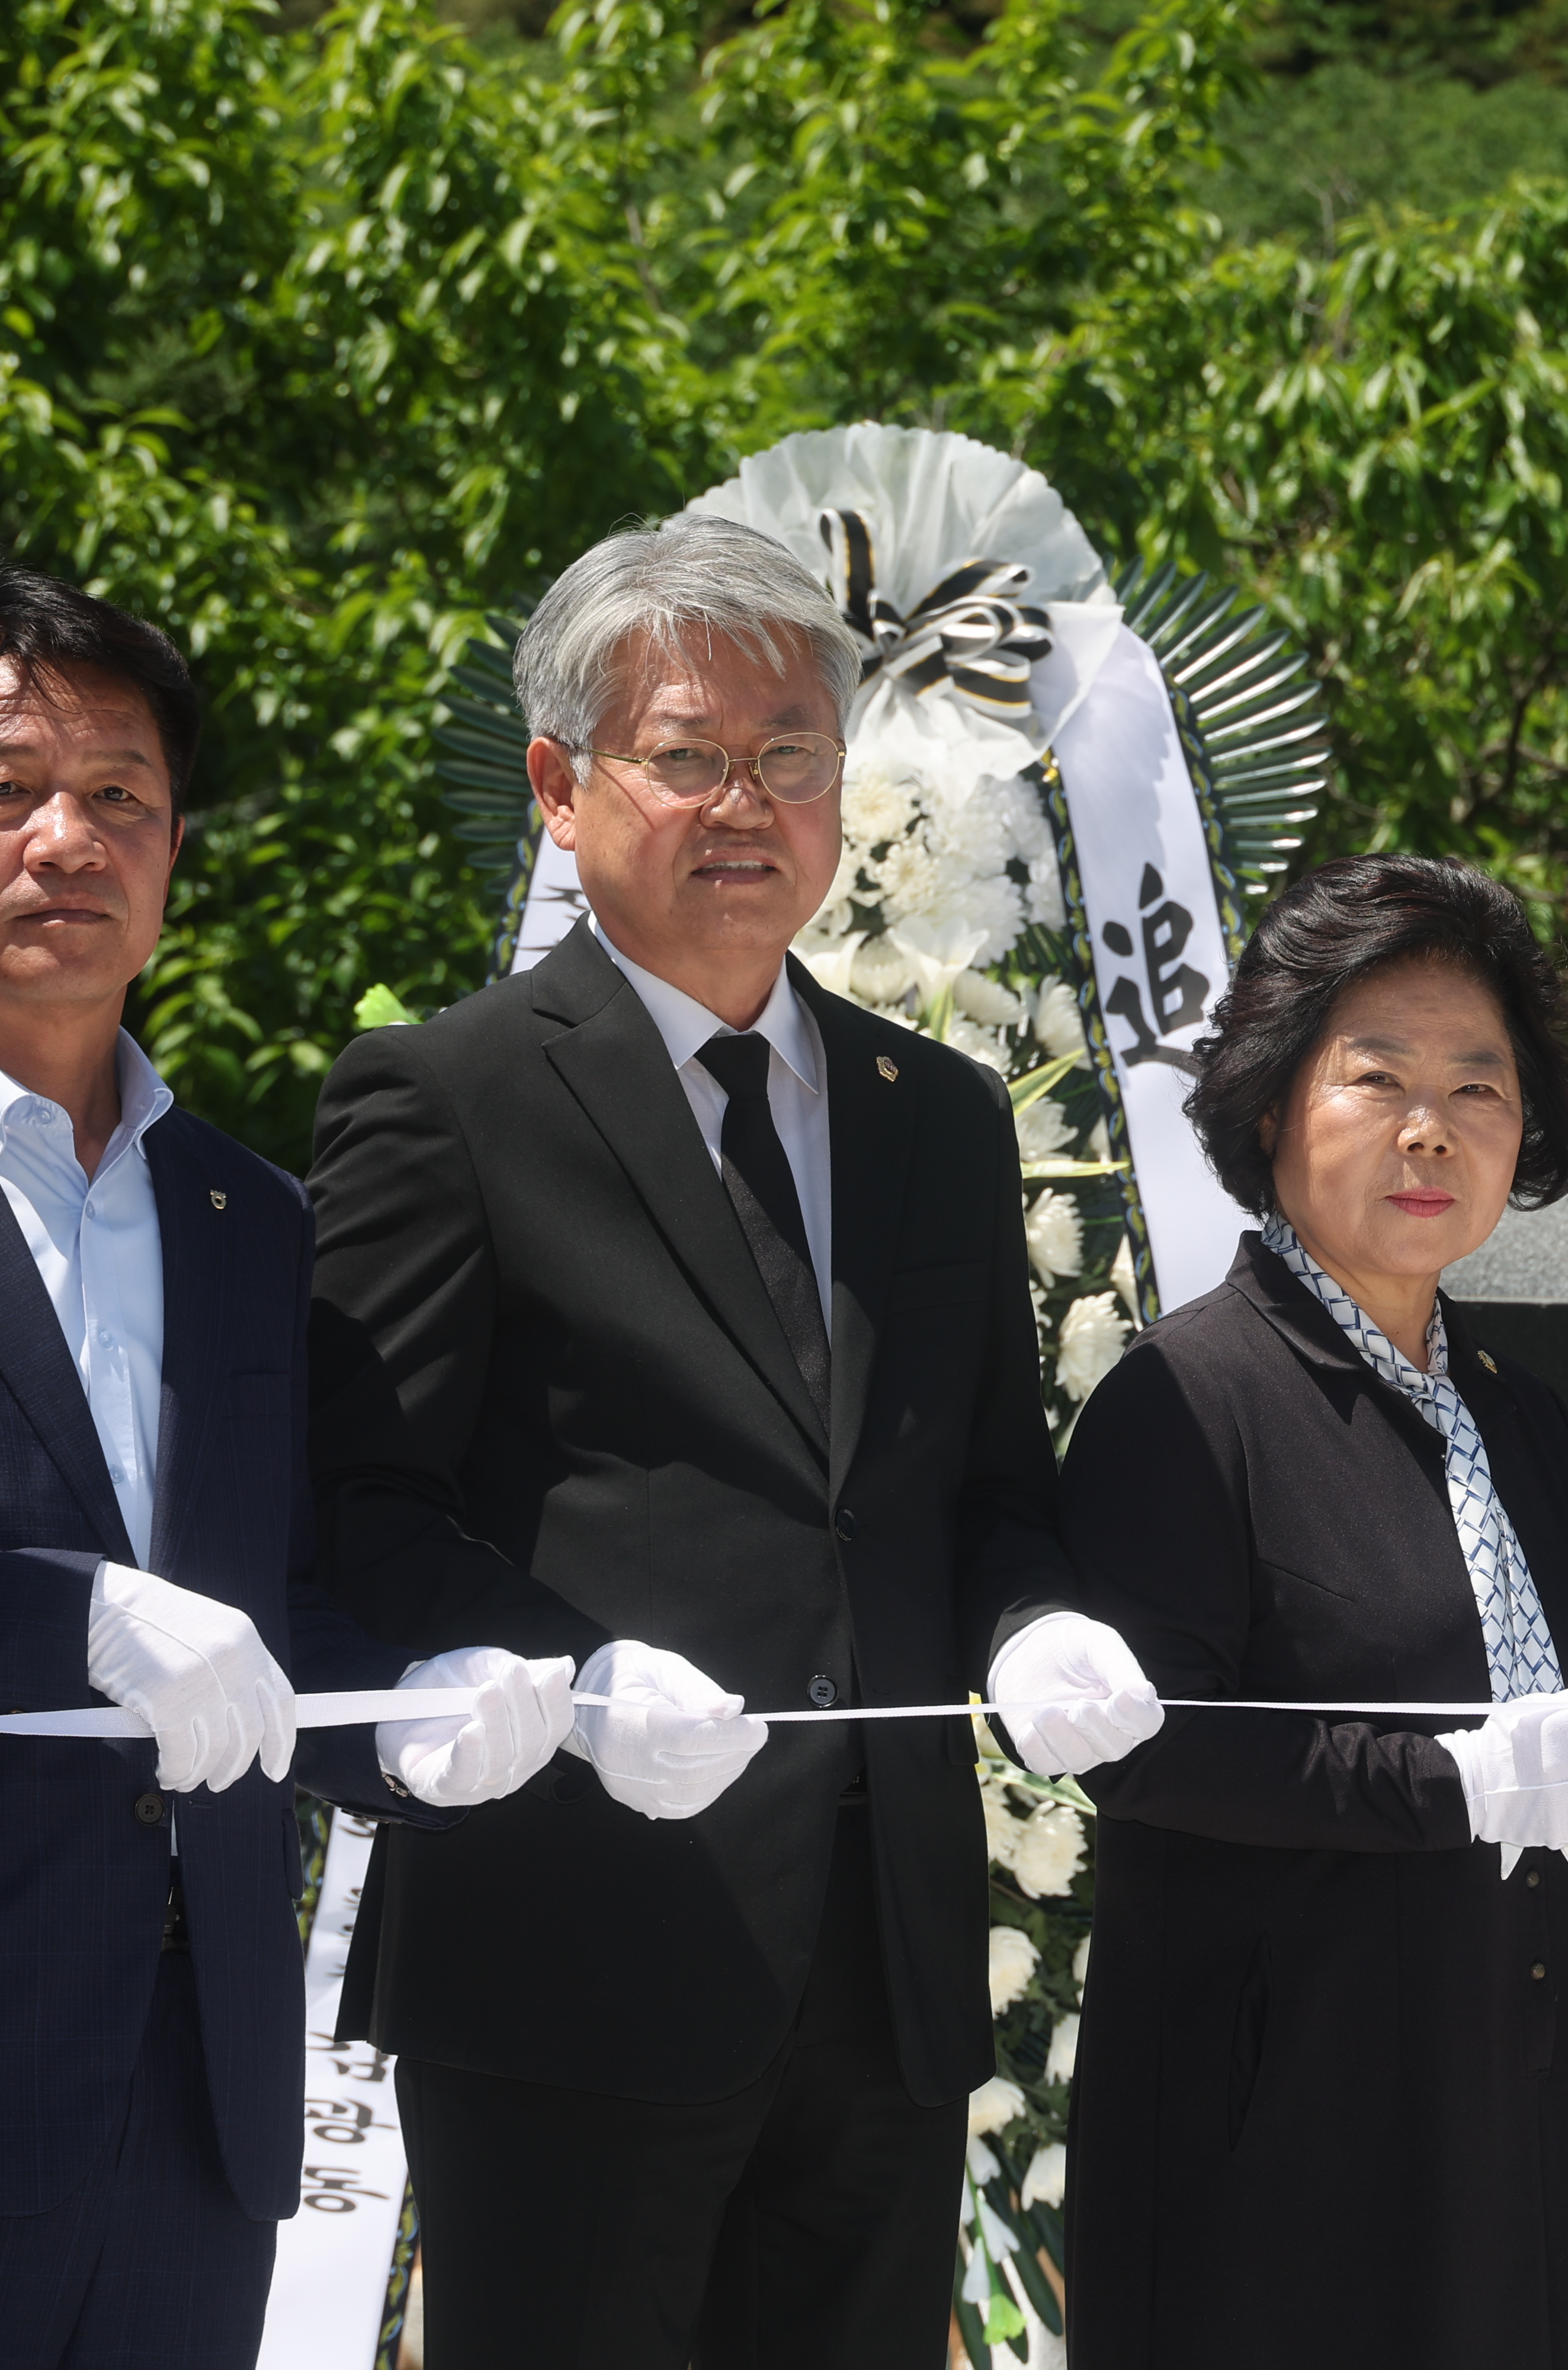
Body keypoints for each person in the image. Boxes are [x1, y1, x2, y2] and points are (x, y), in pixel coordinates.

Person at [303, 514, 1166, 2370]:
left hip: (886, 1958)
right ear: (560, 784)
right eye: (688, 756)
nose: (747, 802)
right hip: (576, 1939)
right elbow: (359, 1513)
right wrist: (567, 1671)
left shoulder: (929, 1110)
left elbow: (982, 1493)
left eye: (791, 756)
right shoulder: (444, 1098)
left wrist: (1036, 1625)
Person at [1054, 853, 1568, 2369]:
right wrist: (1449, 1785)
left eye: (1479, 1086)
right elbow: (1149, 1750)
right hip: (1279, 2143)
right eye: (1376, 1078)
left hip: (1516, 2106)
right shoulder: (1187, 1398)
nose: (1431, 1126)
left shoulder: (1512, 1415)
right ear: (1271, 1108)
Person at [0, 568, 570, 2369]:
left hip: (197, 2089)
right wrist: (70, 1616)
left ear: (172, 854)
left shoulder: (255, 1217)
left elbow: (276, 1601)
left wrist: (417, 1711)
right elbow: (131, 1621)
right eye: (10, 787)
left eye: (120, 799)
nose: (62, 841)